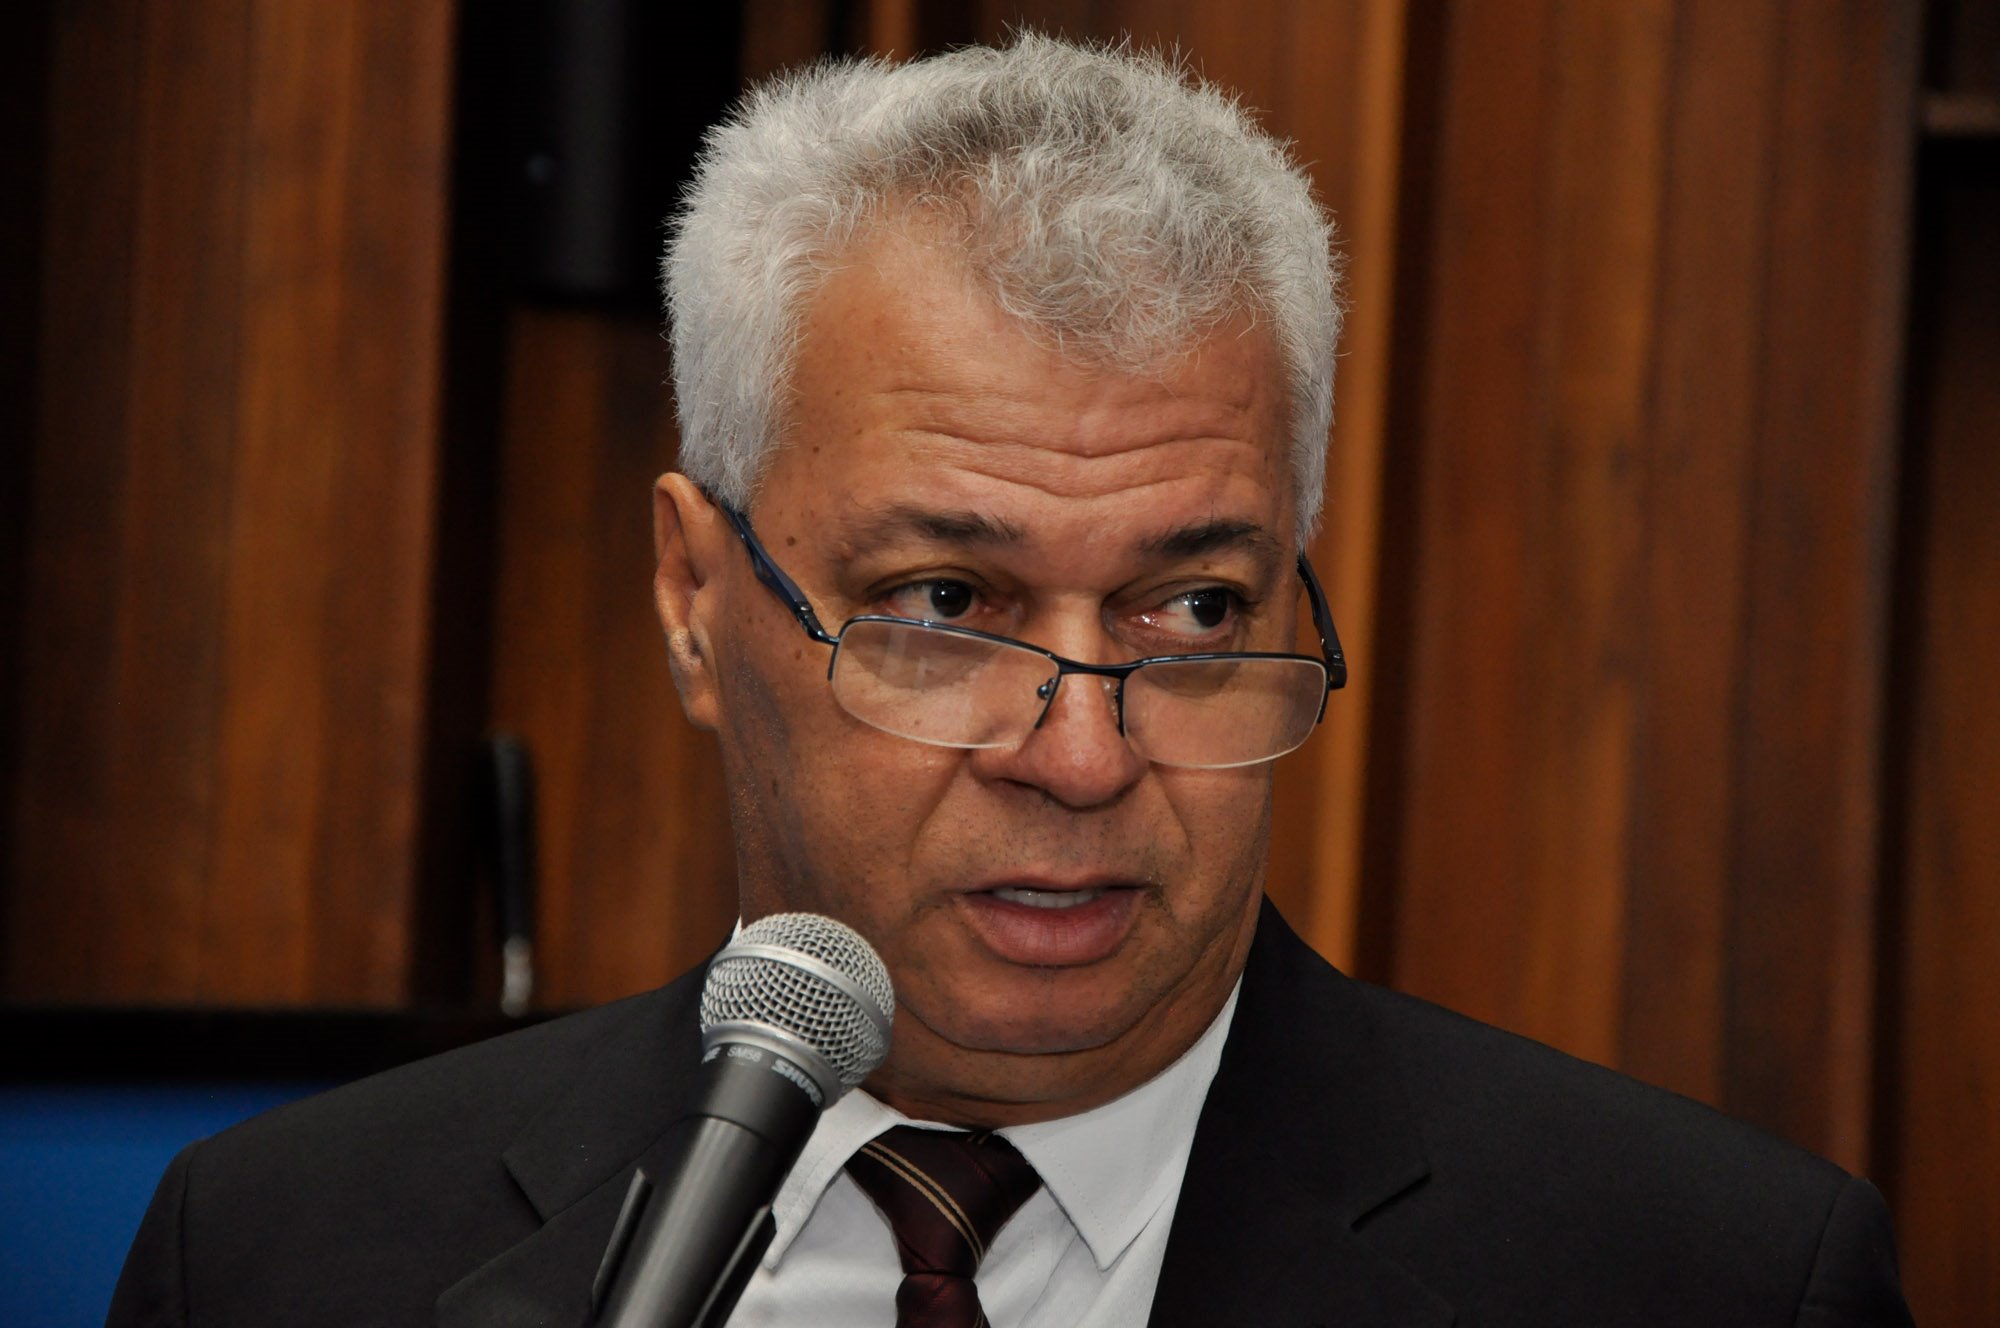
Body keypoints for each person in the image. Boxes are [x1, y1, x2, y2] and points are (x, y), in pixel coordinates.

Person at [109, 34, 1912, 1327]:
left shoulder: (1706, 1277)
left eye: (1192, 608)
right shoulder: (285, 1255)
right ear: (693, 597)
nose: (1082, 755)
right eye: (947, 599)